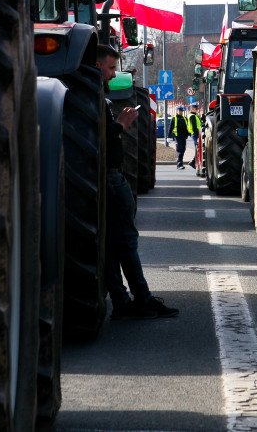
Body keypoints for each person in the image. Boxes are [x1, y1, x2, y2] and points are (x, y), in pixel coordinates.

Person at [95, 44, 178, 320]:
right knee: (126, 242)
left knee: (111, 245)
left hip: (107, 180)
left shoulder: (97, 99)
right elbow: (102, 141)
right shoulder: (97, 103)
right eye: (109, 68)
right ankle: (141, 298)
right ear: (97, 65)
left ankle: (122, 300)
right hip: (111, 179)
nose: (111, 75)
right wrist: (120, 125)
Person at [189, 102, 204, 169]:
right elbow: (194, 127)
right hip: (196, 134)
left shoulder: (194, 116)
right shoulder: (192, 116)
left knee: (197, 148)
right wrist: (198, 135)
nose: (197, 109)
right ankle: (193, 162)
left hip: (196, 134)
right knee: (198, 148)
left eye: (197, 108)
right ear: (192, 108)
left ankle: (193, 162)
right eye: (195, 108)